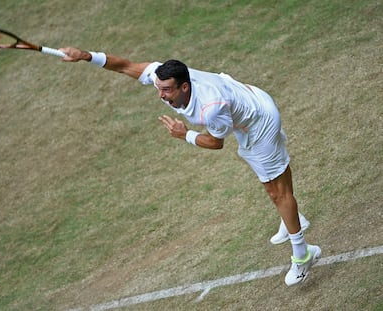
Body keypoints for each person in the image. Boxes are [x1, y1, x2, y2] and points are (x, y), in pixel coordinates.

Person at [59, 47, 321, 286]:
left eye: (167, 91)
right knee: (277, 181)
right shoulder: (167, 77)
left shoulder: (211, 109)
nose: (161, 94)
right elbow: (125, 66)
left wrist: (184, 134)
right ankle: (293, 220)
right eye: (159, 88)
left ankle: (303, 254)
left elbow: (216, 143)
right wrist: (85, 56)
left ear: (185, 87)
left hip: (257, 123)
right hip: (249, 100)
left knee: (277, 192)